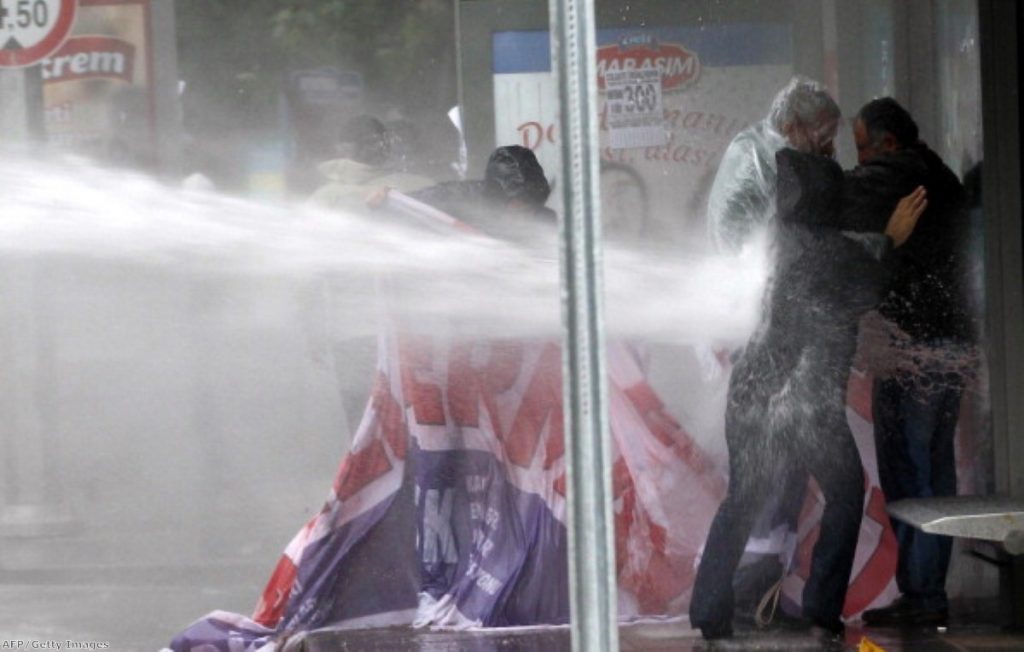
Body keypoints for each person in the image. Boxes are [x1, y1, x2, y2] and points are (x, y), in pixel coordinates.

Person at [689, 147, 927, 643]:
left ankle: (709, 612)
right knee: (844, 492)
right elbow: (870, 282)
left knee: (742, 498)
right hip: (807, 405)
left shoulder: (769, 244)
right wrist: (892, 239)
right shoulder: (835, 254)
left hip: (751, 395)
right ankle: (822, 612)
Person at [704, 76, 841, 618]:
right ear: (792, 127)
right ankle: (733, 597)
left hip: (778, 333)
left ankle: (755, 592)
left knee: (781, 477)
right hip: (761, 335)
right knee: (763, 475)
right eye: (823, 134)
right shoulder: (757, 159)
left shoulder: (780, 158)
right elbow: (741, 239)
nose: (830, 146)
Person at [846, 98, 975, 627]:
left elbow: (841, 199)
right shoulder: (940, 174)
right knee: (931, 468)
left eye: (861, 149)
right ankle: (924, 593)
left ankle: (924, 597)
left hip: (915, 352)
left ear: (888, 143)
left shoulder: (896, 174)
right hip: (945, 347)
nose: (858, 162)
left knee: (911, 470)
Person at [706, 76, 841, 253]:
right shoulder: (777, 164)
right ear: (791, 127)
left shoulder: (752, 142)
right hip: (751, 266)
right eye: (823, 138)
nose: (829, 149)